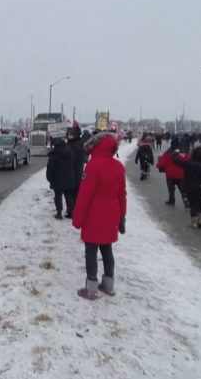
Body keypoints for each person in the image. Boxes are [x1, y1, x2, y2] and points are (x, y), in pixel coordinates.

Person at [72, 132, 126, 301]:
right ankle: (108, 285)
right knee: (107, 248)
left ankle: (91, 288)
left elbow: (84, 196)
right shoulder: (118, 166)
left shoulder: (93, 166)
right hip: (112, 213)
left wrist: (77, 219)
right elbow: (121, 195)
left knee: (91, 250)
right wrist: (122, 216)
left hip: (94, 214)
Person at [172, 146, 201, 228]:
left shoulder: (190, 163)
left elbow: (176, 161)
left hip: (191, 187)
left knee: (193, 203)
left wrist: (175, 153)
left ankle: (194, 222)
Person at [46, 138, 75, 220]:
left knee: (58, 196)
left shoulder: (54, 154)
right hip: (69, 177)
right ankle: (71, 211)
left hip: (57, 178)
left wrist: (49, 178)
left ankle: (59, 213)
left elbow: (50, 168)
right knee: (69, 195)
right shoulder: (70, 152)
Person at [156, 137, 189, 208]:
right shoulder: (185, 154)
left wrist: (159, 166)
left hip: (170, 175)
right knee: (182, 189)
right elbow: (189, 163)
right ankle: (185, 198)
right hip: (182, 175)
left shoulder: (167, 153)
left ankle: (172, 200)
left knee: (171, 189)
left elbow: (161, 164)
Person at [66, 127, 86, 207]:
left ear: (73, 135)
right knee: (74, 189)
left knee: (73, 189)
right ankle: (73, 207)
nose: (68, 136)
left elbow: (73, 157)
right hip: (76, 168)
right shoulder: (77, 142)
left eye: (69, 134)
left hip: (75, 169)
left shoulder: (76, 144)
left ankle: (73, 209)